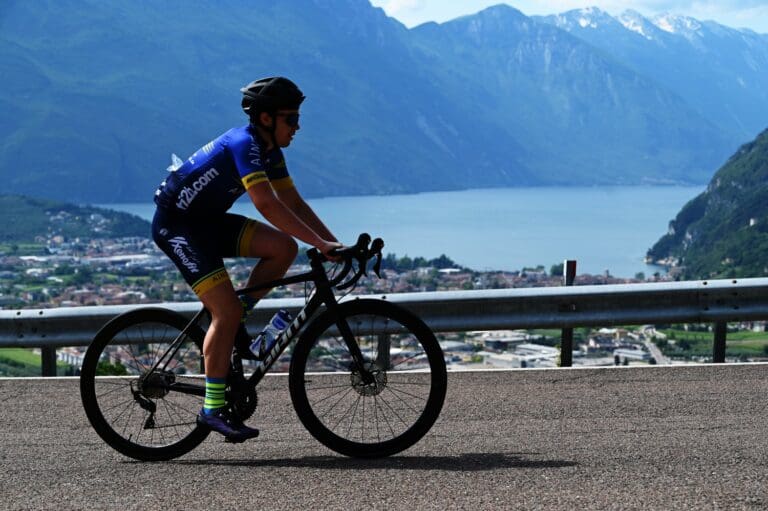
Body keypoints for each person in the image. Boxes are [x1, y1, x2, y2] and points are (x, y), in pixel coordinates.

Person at [151, 77, 340, 442]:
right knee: (226, 313)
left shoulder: (271, 153)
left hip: (206, 223)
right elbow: (267, 204)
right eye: (291, 118)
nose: (297, 126)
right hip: (178, 226)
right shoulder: (244, 144)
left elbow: (294, 204)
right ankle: (211, 409)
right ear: (266, 118)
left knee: (283, 248)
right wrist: (319, 243)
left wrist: (331, 243)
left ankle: (236, 320)